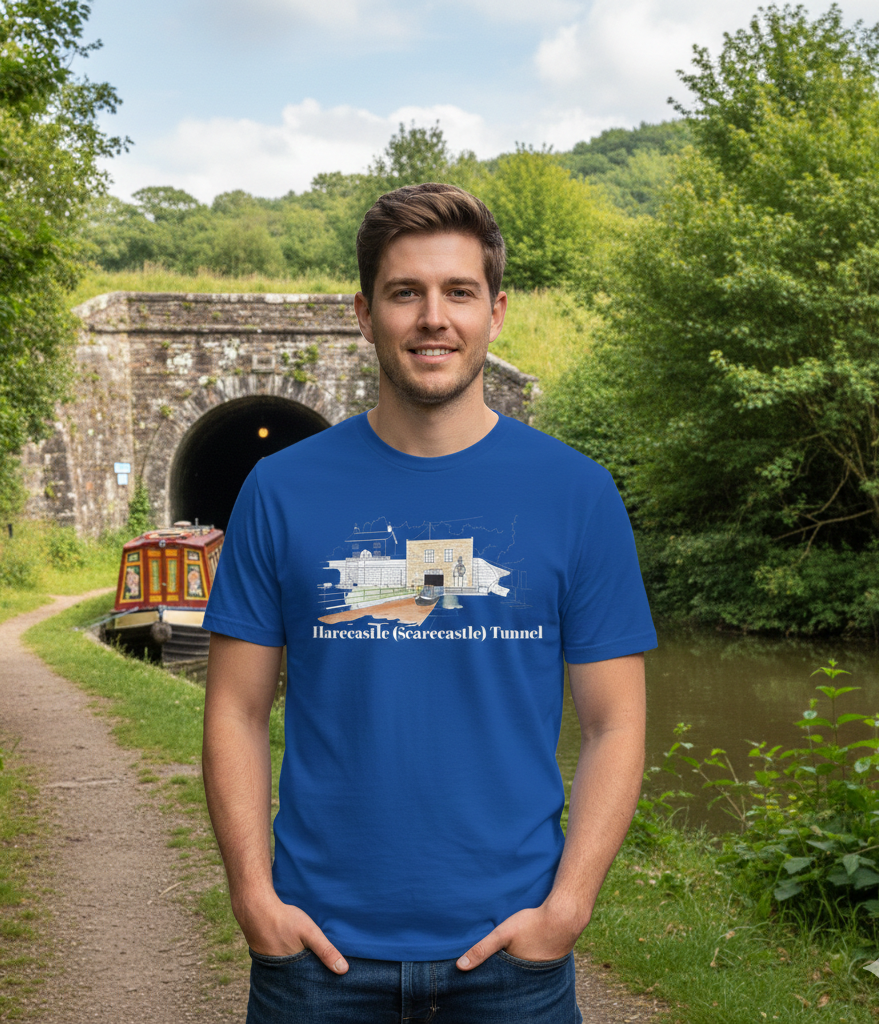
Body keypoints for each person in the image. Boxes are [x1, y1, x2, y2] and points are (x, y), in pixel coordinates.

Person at [201, 182, 656, 1023]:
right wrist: (252, 896)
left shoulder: (576, 493)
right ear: (365, 315)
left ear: (497, 311)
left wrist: (569, 909)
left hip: (512, 959)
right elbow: (234, 708)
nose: (432, 317)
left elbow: (615, 723)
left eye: (458, 292)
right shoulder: (280, 490)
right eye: (405, 292)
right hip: (316, 958)